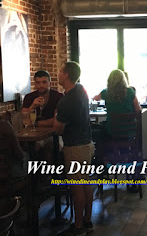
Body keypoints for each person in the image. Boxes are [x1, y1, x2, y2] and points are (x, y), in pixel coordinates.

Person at [54, 61, 94, 236]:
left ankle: (77, 227)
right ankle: (87, 221)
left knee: (77, 187)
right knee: (85, 183)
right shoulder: (80, 90)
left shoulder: (66, 101)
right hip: (87, 144)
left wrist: (56, 117)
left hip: (75, 147)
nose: (58, 74)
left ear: (66, 75)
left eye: (60, 71)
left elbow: (58, 128)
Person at [93, 69, 140, 137]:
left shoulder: (106, 92)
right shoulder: (130, 92)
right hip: (129, 130)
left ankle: (102, 147)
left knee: (99, 128)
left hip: (112, 131)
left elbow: (95, 99)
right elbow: (138, 111)